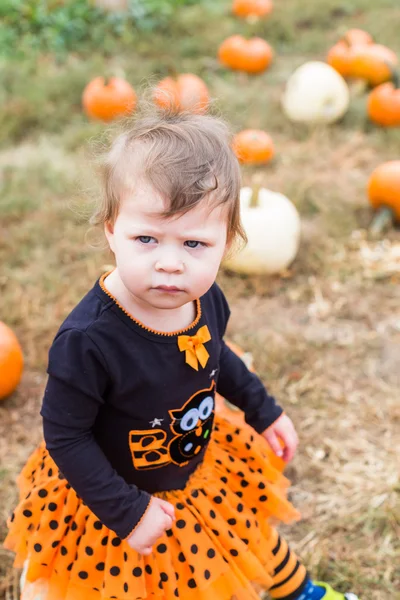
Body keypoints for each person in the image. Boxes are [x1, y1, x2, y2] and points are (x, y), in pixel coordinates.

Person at [4, 107, 359, 600]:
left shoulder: (205, 298)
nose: (169, 263)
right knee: (131, 582)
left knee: (239, 532)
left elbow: (219, 357)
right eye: (146, 239)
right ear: (111, 229)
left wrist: (262, 408)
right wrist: (127, 511)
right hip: (112, 493)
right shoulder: (89, 339)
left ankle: (299, 592)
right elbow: (66, 435)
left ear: (227, 242)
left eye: (194, 242)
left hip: (192, 465)